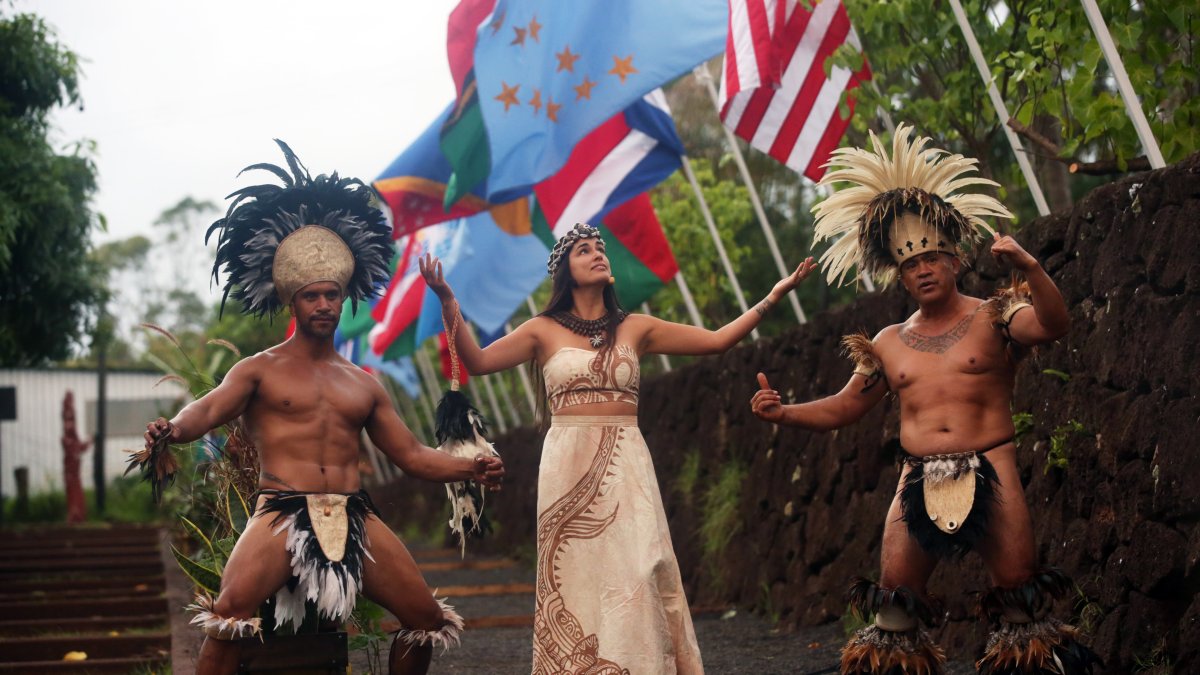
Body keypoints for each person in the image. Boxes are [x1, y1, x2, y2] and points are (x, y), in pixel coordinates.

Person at [137, 141, 504, 675]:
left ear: (343, 298)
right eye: (312, 296)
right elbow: (209, 409)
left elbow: (412, 455)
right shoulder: (258, 370)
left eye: (332, 295)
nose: (325, 305)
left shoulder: (363, 384)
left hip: (354, 514)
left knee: (425, 618)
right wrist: (171, 427)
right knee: (228, 615)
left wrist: (472, 465)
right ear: (293, 301)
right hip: (280, 512)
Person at [750, 124, 1099, 674]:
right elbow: (846, 406)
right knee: (893, 600)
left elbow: (1055, 325)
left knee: (1019, 595)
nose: (923, 268)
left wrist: (1031, 268)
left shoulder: (996, 314)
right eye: (912, 264)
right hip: (918, 478)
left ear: (955, 260)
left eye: (932, 258)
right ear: (901, 276)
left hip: (993, 462)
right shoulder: (887, 343)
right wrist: (784, 411)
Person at [419, 224, 815, 674]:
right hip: (567, 465)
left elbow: (717, 340)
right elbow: (478, 361)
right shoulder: (541, 331)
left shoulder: (636, 327)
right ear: (565, 271)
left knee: (644, 568)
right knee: (579, 580)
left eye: (600, 248)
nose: (597, 254)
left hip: (626, 459)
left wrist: (774, 296)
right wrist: (449, 302)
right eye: (583, 250)